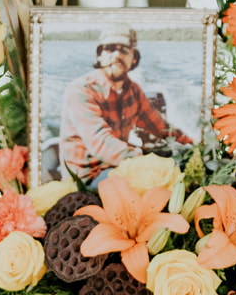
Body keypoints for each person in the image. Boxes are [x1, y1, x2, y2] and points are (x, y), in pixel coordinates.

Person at [58, 24, 194, 183]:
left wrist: (190, 143)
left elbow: (158, 126)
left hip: (117, 167)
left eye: (123, 50)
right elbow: (100, 142)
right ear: (99, 56)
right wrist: (145, 161)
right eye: (109, 49)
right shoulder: (80, 90)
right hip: (85, 177)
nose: (116, 55)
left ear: (133, 58)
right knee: (158, 184)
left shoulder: (134, 91)